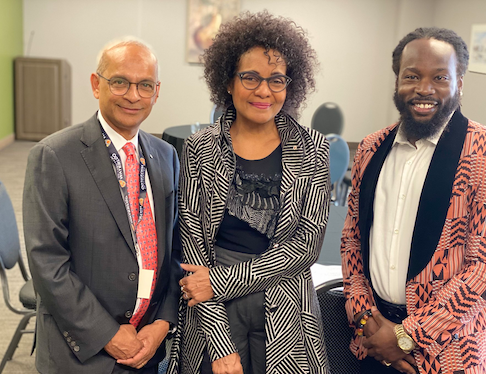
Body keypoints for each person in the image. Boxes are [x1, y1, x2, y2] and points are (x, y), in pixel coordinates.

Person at [167, 11, 330, 374]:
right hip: (212, 309)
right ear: (227, 81)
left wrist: (223, 282)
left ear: (290, 85)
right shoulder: (199, 148)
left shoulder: (314, 149)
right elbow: (194, 249)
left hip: (287, 300)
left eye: (276, 80)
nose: (263, 90)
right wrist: (221, 344)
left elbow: (307, 246)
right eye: (250, 77)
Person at [341, 27, 486, 374]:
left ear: (459, 83)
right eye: (412, 76)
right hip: (372, 339)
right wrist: (368, 321)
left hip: (451, 350)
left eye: (440, 77)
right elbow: (352, 241)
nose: (424, 89)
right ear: (398, 81)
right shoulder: (371, 148)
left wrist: (405, 336)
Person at [23, 38, 182, 374]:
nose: (133, 95)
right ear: (97, 85)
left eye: (145, 85)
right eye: (120, 82)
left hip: (146, 347)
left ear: (157, 91)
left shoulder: (166, 156)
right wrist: (106, 333)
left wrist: (163, 323)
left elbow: (175, 248)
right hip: (81, 353)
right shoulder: (54, 155)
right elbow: (47, 262)